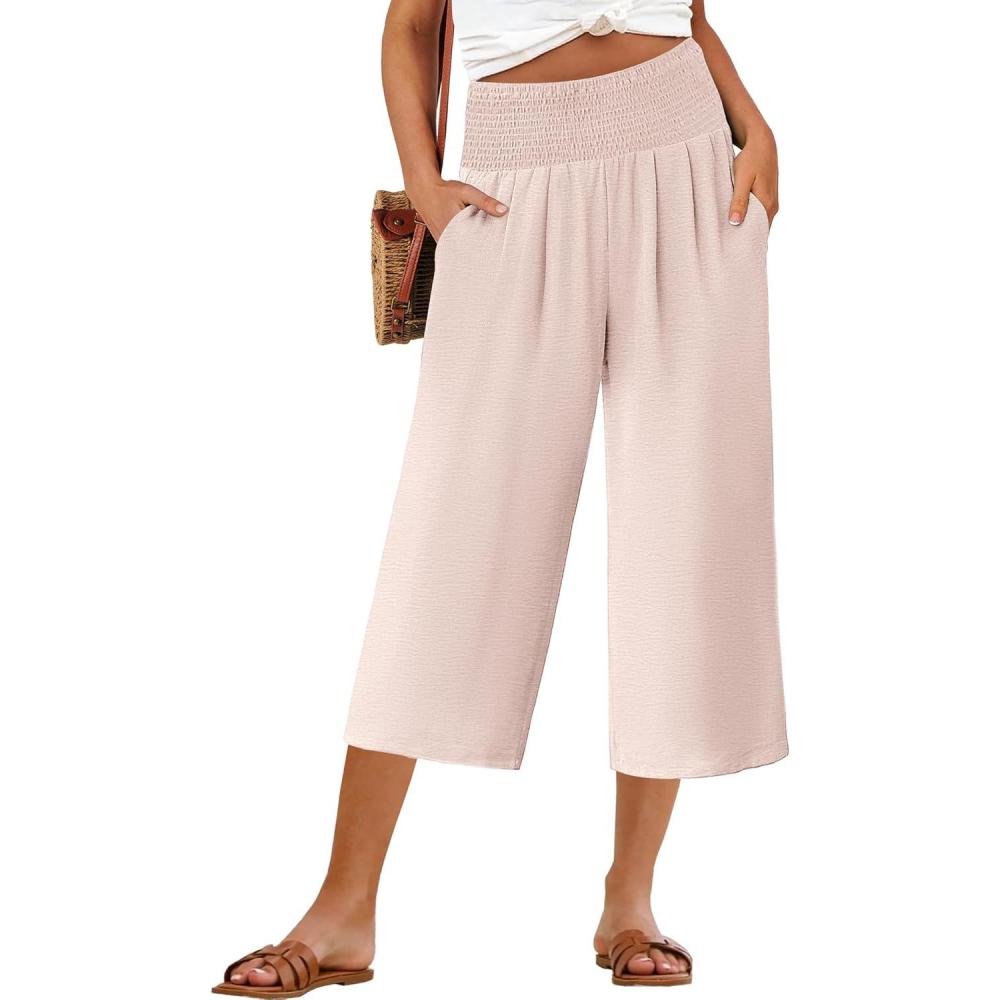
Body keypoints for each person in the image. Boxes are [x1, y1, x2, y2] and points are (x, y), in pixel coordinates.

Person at [214, 0, 787, 993]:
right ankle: (343, 909)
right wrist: (424, 182)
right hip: (511, 178)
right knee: (446, 540)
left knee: (682, 532)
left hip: (692, 157)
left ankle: (630, 898)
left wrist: (756, 126)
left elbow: (688, 11)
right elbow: (409, 24)